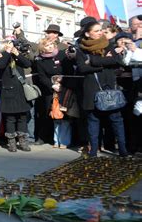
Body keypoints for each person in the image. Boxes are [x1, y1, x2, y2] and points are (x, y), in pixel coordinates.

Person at [75, 21, 128, 157]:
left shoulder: (108, 45)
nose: (101, 32)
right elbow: (82, 68)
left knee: (116, 120)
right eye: (97, 30)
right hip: (91, 89)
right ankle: (93, 151)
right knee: (93, 121)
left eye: (101, 30)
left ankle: (122, 150)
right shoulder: (81, 49)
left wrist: (93, 61)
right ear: (88, 33)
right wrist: (102, 64)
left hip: (110, 87)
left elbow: (116, 62)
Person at [35, 38, 78, 149]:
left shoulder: (62, 55)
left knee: (65, 116)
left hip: (65, 88)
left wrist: (62, 83)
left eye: (51, 44)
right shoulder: (40, 60)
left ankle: (65, 141)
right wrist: (52, 85)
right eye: (47, 45)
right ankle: (55, 140)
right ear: (42, 48)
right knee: (54, 116)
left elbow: (69, 71)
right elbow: (42, 76)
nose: (50, 47)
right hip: (51, 90)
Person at [0, 40, 32, 152]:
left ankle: (23, 142)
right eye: (8, 46)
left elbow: (27, 64)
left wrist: (17, 53)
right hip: (8, 92)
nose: (11, 47)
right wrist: (7, 52)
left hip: (20, 91)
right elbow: (0, 65)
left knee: (22, 116)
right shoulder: (1, 57)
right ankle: (11, 143)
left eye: (12, 45)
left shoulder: (17, 56)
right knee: (10, 118)